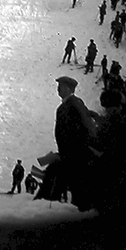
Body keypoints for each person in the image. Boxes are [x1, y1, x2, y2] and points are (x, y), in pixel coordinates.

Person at [35, 75, 99, 209]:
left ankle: (41, 208)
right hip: (73, 154)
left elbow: (79, 130)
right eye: (58, 86)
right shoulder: (75, 103)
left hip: (74, 155)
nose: (58, 89)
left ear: (69, 89)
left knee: (75, 188)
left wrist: (68, 152)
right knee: (75, 188)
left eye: (61, 87)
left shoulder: (71, 105)